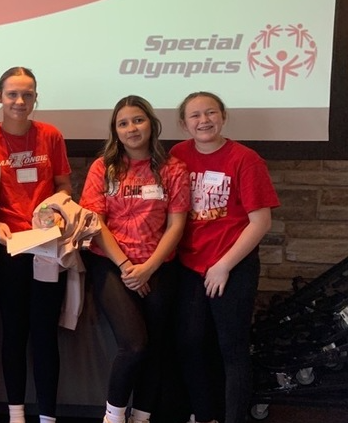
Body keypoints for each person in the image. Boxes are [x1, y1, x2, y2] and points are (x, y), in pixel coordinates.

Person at [170, 92, 279, 423]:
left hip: (232, 266)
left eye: (211, 113)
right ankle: (206, 415)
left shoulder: (245, 159)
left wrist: (223, 266)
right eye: (195, 116)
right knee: (189, 343)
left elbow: (261, 221)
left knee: (232, 349)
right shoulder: (177, 155)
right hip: (190, 265)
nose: (204, 121)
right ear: (183, 123)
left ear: (223, 116)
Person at [79, 95, 189, 423]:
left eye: (138, 120)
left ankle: (141, 417)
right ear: (115, 130)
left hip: (159, 266)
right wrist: (127, 267)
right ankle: (113, 417)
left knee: (155, 347)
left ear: (152, 125)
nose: (132, 128)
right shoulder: (103, 167)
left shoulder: (173, 168)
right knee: (135, 345)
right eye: (123, 123)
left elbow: (177, 224)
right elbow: (95, 222)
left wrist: (148, 268)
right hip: (112, 265)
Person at [0, 66, 72, 423]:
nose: (20, 101)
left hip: (47, 248)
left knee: (45, 335)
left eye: (27, 94)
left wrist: (56, 210)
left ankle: (47, 416)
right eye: (12, 94)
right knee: (14, 333)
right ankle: (16, 414)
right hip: (9, 248)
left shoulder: (51, 136)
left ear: (35, 98)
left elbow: (64, 186)